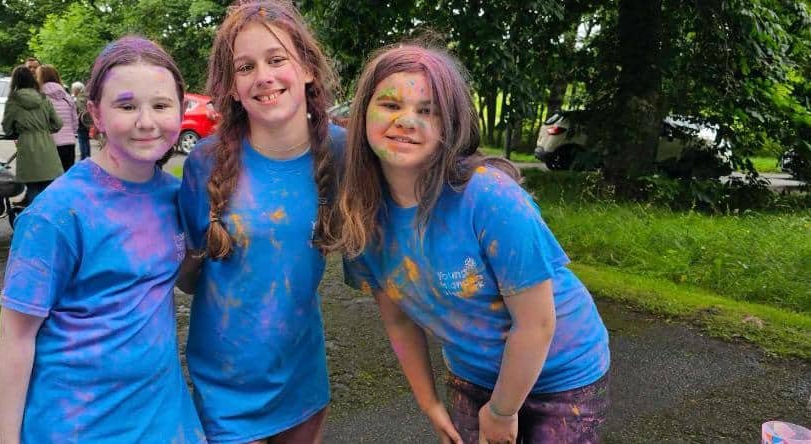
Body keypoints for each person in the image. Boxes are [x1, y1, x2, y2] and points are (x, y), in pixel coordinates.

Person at [330, 43, 612, 444]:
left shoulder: (489, 197)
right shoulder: (361, 217)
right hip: (472, 374)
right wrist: (429, 405)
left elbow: (537, 323)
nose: (407, 120)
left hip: (564, 374)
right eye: (390, 105)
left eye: (428, 110)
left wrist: (502, 412)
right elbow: (398, 320)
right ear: (362, 116)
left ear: (450, 126)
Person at [0, 36, 204, 443]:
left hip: (164, 418)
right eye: (126, 106)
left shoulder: (175, 196)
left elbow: (180, 279)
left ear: (180, 110)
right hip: (78, 425)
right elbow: (16, 338)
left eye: (161, 105)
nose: (146, 121)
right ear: (96, 115)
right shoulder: (56, 215)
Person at [176, 1, 345, 442]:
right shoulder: (204, 163)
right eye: (245, 67)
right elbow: (191, 275)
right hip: (224, 383)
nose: (264, 76)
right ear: (231, 87)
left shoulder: (343, 153)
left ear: (307, 68)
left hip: (301, 378)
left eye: (276, 59)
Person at [0, 66, 63, 204]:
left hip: (27, 147)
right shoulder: (43, 98)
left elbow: (7, 127)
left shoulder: (14, 100)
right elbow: (58, 124)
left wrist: (18, 131)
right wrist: (44, 129)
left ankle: (35, 221)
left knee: (33, 188)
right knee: (49, 189)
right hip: (47, 146)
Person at [38, 64, 79, 171]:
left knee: (48, 179)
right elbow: (75, 122)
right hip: (68, 143)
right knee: (65, 178)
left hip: (49, 144)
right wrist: (70, 134)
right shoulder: (67, 97)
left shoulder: (39, 97)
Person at [70, 82, 92, 160]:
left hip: (81, 122)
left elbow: (78, 111)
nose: (72, 91)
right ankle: (88, 157)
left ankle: (84, 158)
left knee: (82, 140)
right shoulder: (87, 96)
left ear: (77, 90)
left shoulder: (78, 98)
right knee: (86, 140)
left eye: (73, 89)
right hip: (88, 121)